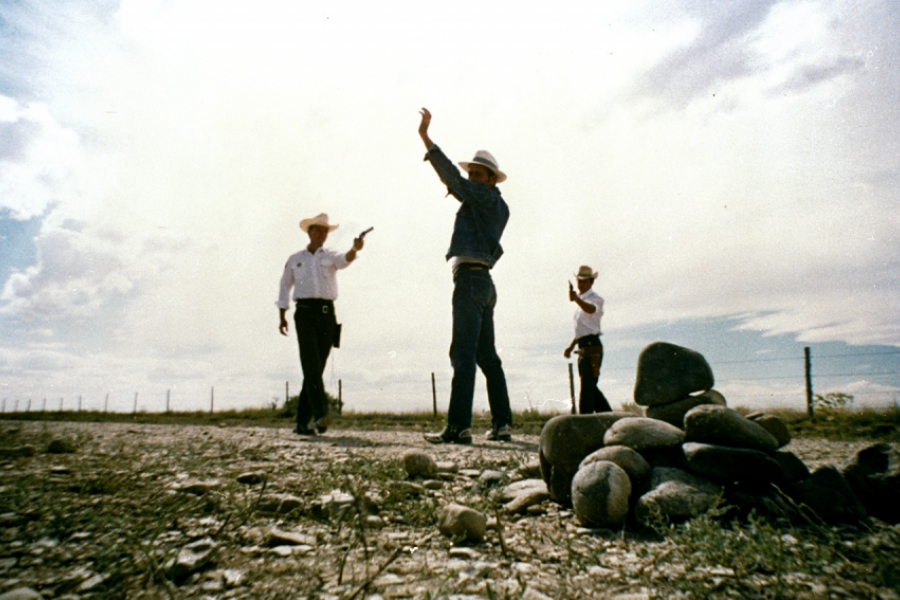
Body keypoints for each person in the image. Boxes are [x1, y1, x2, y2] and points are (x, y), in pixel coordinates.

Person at [418, 107, 514, 444]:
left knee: (463, 354)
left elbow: (453, 181)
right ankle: (502, 424)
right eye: (472, 173)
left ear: (489, 179)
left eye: (478, 174)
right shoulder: (496, 204)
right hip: (485, 282)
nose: (472, 178)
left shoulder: (484, 198)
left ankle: (459, 426)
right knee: (487, 355)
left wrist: (427, 140)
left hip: (471, 280)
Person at [277, 213, 364, 435]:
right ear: (310, 232)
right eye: (318, 230)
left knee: (317, 367)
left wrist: (355, 249)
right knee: (311, 364)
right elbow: (285, 285)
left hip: (327, 315)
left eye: (325, 231)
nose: (322, 234)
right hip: (304, 313)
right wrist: (282, 315)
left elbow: (345, 260)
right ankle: (321, 413)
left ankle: (302, 422)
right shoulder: (295, 258)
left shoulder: (331, 256)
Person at [563, 265, 612, 414]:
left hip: (592, 347)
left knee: (587, 389)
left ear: (591, 282)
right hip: (584, 346)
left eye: (584, 281)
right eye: (579, 281)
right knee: (590, 387)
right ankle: (609, 416)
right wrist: (571, 347)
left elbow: (591, 309)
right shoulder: (582, 301)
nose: (581, 284)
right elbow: (582, 330)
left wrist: (576, 299)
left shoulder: (596, 299)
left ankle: (586, 420)